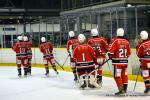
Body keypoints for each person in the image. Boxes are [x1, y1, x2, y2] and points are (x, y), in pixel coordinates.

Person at [108, 28, 131, 95]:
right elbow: (129, 53)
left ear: (117, 33)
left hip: (117, 63)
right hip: (125, 62)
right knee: (124, 75)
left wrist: (110, 56)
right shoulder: (127, 42)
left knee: (117, 76)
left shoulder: (115, 41)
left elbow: (111, 52)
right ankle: (125, 89)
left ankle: (121, 91)